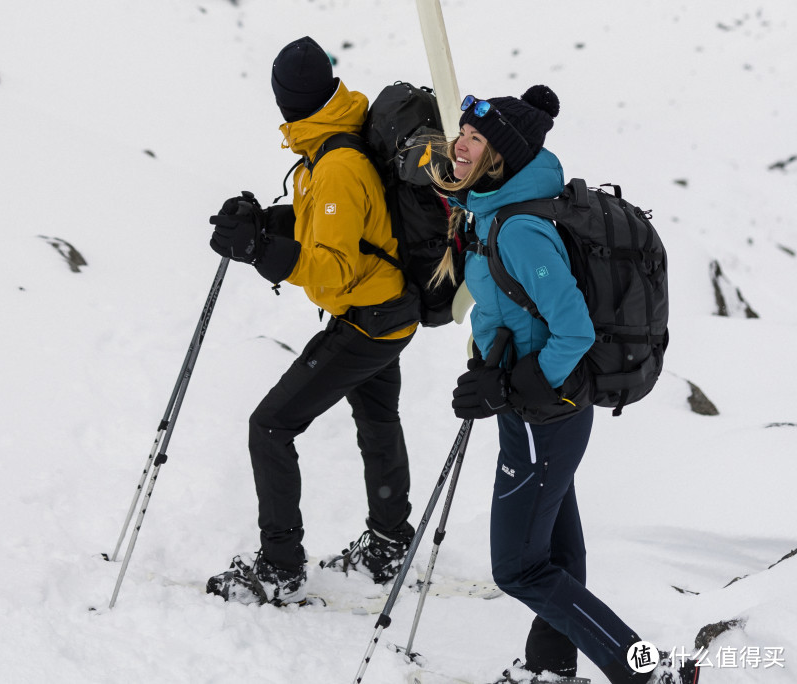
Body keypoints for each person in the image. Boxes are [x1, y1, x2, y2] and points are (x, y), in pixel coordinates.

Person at [433, 86, 694, 684]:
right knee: (555, 552)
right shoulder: (493, 211)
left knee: (519, 569)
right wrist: (486, 367)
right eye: (463, 133)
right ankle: (552, 669)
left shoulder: (520, 229)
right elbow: (504, 304)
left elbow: (572, 332)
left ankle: (650, 672)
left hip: (543, 416)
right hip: (538, 410)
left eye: (475, 138)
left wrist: (512, 390)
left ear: (501, 156)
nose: (460, 144)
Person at [204, 36, 420, 607]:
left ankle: (280, 567)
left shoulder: (337, 165)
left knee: (271, 426)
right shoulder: (332, 142)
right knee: (377, 419)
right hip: (388, 310)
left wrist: (259, 251)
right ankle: (389, 542)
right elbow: (332, 226)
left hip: (368, 316)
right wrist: (265, 222)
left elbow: (334, 269)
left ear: (284, 103)